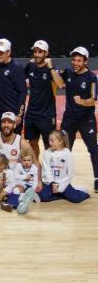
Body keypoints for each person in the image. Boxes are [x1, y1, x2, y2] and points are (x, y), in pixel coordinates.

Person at [58, 46, 98, 192]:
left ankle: (97, 179)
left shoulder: (92, 78)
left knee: (93, 149)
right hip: (69, 118)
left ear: (85, 62)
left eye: (79, 60)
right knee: (64, 149)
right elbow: (59, 83)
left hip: (86, 119)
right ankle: (62, 178)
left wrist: (81, 101)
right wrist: (51, 69)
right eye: (73, 60)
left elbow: (93, 100)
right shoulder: (68, 72)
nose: (75, 63)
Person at [24, 40, 64, 161]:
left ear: (46, 53)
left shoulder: (51, 69)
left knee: (49, 144)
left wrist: (51, 67)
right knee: (32, 142)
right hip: (31, 113)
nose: (36, 54)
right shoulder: (30, 66)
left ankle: (50, 169)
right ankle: (37, 167)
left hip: (47, 114)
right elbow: (20, 79)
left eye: (40, 52)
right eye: (35, 52)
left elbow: (60, 84)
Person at [39, 130, 90, 203]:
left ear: (60, 141)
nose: (50, 142)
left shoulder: (67, 154)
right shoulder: (47, 153)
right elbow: (46, 170)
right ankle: (62, 195)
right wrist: (53, 183)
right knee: (43, 197)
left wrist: (59, 185)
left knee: (75, 199)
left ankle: (80, 191)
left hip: (63, 182)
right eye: (49, 140)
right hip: (50, 183)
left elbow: (70, 173)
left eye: (52, 141)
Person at [0, 38, 27, 132]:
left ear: (8, 52)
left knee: (14, 144)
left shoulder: (17, 68)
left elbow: (23, 92)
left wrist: (19, 115)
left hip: (13, 113)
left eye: (1, 52)